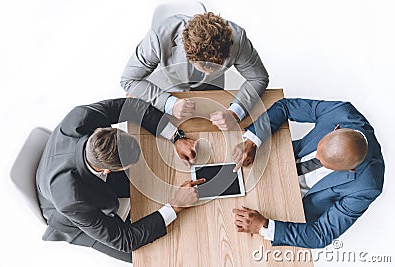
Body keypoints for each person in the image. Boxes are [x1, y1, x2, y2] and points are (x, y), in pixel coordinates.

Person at [36, 97, 205, 263]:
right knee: (156, 257)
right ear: (109, 170)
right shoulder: (72, 201)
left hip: (69, 167)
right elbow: (125, 240)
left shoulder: (82, 116)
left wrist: (176, 137)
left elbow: (133, 106)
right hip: (69, 217)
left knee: (156, 180)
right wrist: (175, 206)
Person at [231, 98, 384, 248]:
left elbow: (322, 234)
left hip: (289, 207)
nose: (315, 158)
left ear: (350, 169)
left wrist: (264, 226)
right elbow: (286, 107)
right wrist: (252, 141)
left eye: (324, 164)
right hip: (274, 163)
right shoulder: (340, 112)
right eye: (319, 150)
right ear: (336, 129)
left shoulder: (367, 186)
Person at [120, 12, 269, 130]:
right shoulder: (158, 37)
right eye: (205, 67)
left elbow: (259, 78)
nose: (210, 73)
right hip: (168, 90)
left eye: (217, 66)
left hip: (211, 93)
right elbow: (128, 80)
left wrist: (235, 112)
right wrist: (168, 103)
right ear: (188, 53)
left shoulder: (238, 39)